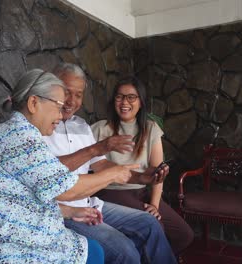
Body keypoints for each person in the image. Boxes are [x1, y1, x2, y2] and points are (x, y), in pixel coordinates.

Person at [0, 69, 137, 264]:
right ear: (33, 103)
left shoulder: (21, 133)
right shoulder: (17, 136)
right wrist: (114, 174)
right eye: (58, 106)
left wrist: (70, 211)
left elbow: (24, 195)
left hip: (6, 230)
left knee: (92, 250)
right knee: (95, 252)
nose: (61, 114)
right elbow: (67, 188)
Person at [43, 63, 177, 264]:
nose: (72, 100)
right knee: (125, 250)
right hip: (61, 211)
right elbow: (48, 173)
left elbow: (101, 165)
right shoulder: (40, 125)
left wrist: (141, 177)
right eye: (66, 92)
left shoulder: (81, 126)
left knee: (149, 223)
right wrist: (97, 148)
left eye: (78, 94)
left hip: (90, 203)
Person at [91, 76, 194, 259]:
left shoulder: (151, 129)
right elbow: (95, 167)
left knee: (183, 234)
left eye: (131, 97)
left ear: (140, 102)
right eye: (119, 96)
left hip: (142, 192)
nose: (124, 102)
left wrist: (154, 204)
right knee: (155, 227)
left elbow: (157, 172)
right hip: (112, 192)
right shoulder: (100, 129)